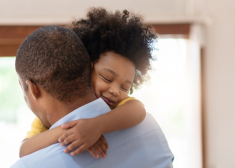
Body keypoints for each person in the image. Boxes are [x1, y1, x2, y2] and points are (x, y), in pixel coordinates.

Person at [12, 25, 173, 168]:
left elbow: (138, 110)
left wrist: (97, 126)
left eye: (125, 87)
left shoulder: (123, 109)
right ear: (89, 70)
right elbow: (25, 149)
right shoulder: (151, 129)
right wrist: (70, 131)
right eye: (107, 79)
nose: (115, 91)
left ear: (33, 89)